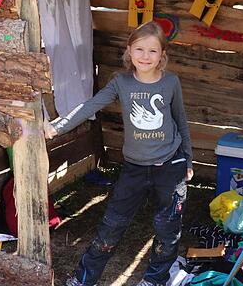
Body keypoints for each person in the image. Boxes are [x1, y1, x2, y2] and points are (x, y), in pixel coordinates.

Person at [44, 21, 193, 286]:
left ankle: (155, 279)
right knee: (111, 226)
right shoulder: (121, 83)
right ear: (129, 51)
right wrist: (57, 127)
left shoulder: (171, 82)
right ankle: (83, 279)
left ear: (162, 55)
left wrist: (188, 160)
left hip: (170, 166)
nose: (145, 57)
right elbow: (90, 106)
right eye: (139, 49)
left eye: (152, 51)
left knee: (167, 229)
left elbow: (181, 121)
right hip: (135, 168)